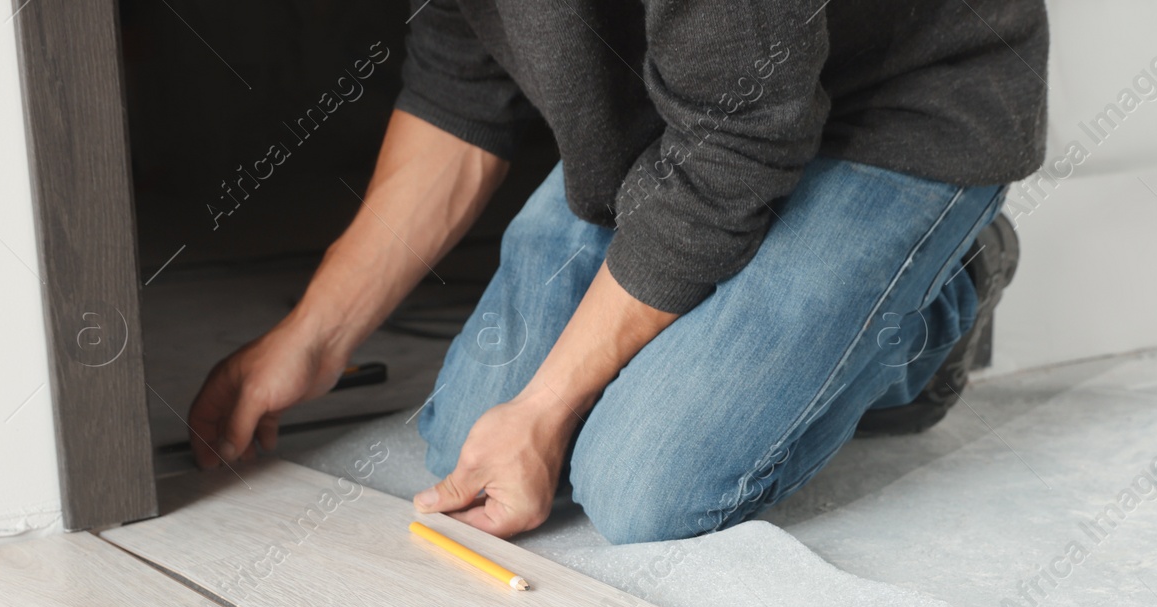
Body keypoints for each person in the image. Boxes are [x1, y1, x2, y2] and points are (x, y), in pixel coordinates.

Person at [188, 0, 1048, 544]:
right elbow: (458, 85)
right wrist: (312, 335)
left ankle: (947, 296)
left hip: (897, 107)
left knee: (647, 487)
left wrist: (546, 406)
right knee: (468, 446)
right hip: (682, 115)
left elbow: (739, 148)